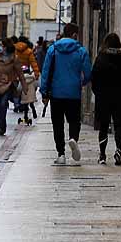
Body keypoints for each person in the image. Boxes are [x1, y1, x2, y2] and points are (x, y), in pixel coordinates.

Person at [40, 23, 92, 166]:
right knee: (74, 120)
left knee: (57, 124)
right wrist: (81, 82)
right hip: (73, 93)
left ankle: (61, 154)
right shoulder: (81, 51)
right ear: (75, 34)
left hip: (56, 93)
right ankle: (73, 138)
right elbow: (88, 72)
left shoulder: (53, 49)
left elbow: (45, 72)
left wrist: (44, 91)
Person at [91, 33, 121, 166]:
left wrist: (98, 92)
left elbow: (94, 78)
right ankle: (118, 151)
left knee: (103, 126)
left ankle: (102, 155)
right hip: (120, 97)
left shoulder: (101, 59)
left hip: (103, 97)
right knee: (119, 125)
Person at [0, 37, 23, 137]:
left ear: (7, 47)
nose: (0, 47)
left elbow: (20, 73)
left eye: (2, 45)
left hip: (8, 84)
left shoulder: (14, 58)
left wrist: (24, 86)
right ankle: (2, 123)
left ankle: (0, 125)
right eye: (0, 45)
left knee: (3, 103)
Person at [14, 37, 41, 125]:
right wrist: (36, 73)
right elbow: (33, 63)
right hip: (26, 73)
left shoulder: (14, 50)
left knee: (18, 91)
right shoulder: (29, 51)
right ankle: (29, 108)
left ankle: (18, 104)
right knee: (27, 91)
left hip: (16, 73)